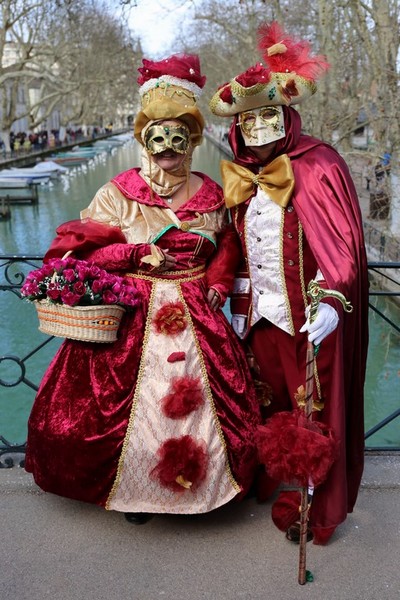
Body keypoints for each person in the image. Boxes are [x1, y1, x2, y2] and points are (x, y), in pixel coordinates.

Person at [25, 54, 260, 523]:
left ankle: (206, 489)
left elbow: (229, 244)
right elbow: (85, 254)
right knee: (135, 403)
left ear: (192, 141)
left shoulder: (212, 192)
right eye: (158, 138)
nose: (167, 148)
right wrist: (133, 255)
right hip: (134, 310)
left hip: (198, 309)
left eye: (177, 138)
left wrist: (217, 279)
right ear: (145, 141)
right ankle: (138, 493)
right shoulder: (116, 192)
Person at [209, 22, 369, 544]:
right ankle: (271, 486)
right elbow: (234, 245)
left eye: (267, 117)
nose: (259, 128)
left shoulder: (319, 165)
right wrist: (222, 289)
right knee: (266, 407)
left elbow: (339, 243)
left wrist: (332, 299)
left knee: (312, 417)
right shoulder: (237, 174)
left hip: (307, 320)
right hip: (258, 317)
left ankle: (313, 509)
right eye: (248, 120)